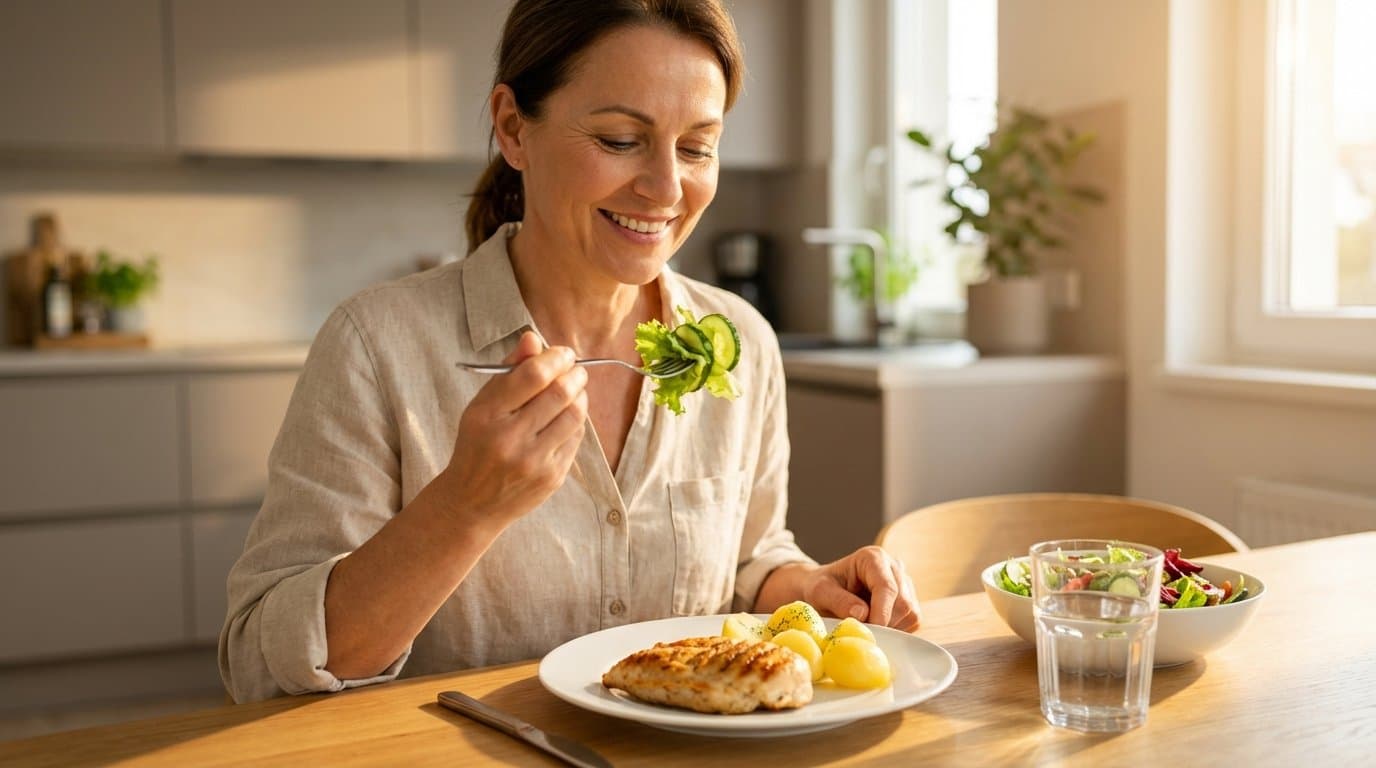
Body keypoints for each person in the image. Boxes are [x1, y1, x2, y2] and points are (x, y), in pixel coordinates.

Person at [220, 0, 920, 704]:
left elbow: (746, 560)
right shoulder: (376, 346)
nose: (667, 188)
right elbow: (260, 666)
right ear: (512, 127)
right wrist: (463, 509)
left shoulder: (740, 342)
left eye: (697, 148)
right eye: (620, 139)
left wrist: (805, 585)